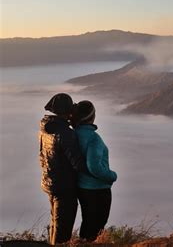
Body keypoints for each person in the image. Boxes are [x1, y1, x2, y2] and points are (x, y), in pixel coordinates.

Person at [39, 93, 88, 245]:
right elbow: (77, 163)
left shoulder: (45, 128)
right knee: (62, 233)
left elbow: (42, 155)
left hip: (50, 183)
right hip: (64, 187)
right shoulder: (65, 133)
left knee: (55, 224)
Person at [72, 100, 117, 241]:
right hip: (98, 189)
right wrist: (112, 176)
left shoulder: (73, 134)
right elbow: (94, 167)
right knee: (97, 226)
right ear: (91, 117)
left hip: (81, 187)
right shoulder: (93, 139)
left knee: (88, 223)